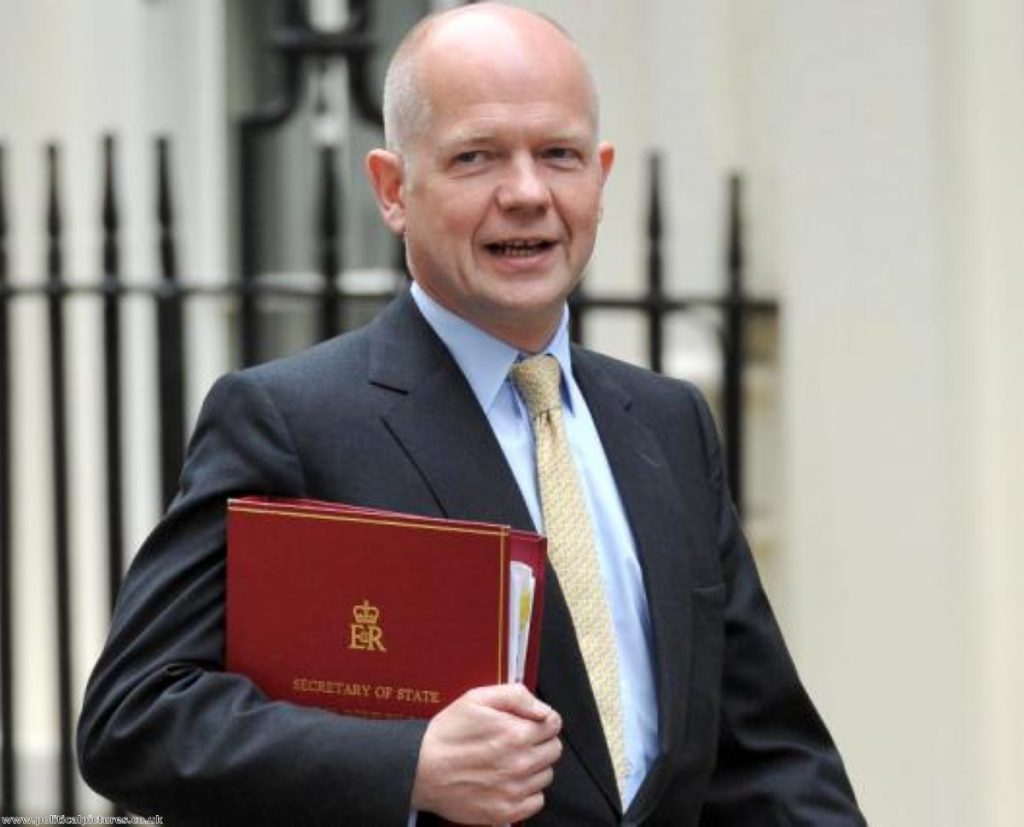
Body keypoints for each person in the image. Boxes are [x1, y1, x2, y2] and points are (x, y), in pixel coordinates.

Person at [78, 3, 865, 824]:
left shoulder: (667, 423)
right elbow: (136, 716)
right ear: (391, 189)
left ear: (599, 175)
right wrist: (409, 763)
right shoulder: (290, 421)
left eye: (558, 155)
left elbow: (767, 755)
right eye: (476, 157)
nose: (526, 193)